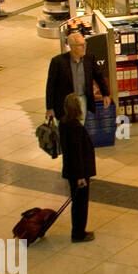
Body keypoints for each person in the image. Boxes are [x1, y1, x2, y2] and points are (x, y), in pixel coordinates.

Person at [45, 32, 112, 122]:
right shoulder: (58, 62)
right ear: (72, 47)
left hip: (82, 99)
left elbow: (98, 76)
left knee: (80, 125)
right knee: (64, 128)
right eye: (81, 45)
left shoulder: (89, 59)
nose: (84, 47)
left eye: (85, 44)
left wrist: (105, 94)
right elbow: (50, 86)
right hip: (65, 102)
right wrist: (49, 108)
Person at [58, 93, 97, 243]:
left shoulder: (63, 123)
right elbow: (77, 153)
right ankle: (79, 233)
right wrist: (81, 176)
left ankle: (78, 231)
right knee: (81, 203)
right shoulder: (75, 127)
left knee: (77, 202)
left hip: (70, 169)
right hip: (78, 172)